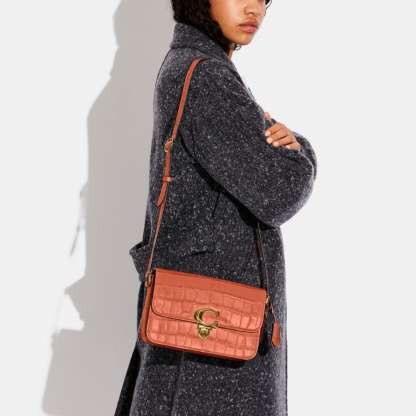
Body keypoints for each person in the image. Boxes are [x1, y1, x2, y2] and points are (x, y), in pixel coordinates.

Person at [115, 1, 317, 415]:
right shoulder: (205, 77)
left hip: (202, 337)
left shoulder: (193, 66)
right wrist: (303, 152)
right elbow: (278, 191)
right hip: (209, 352)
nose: (253, 7)